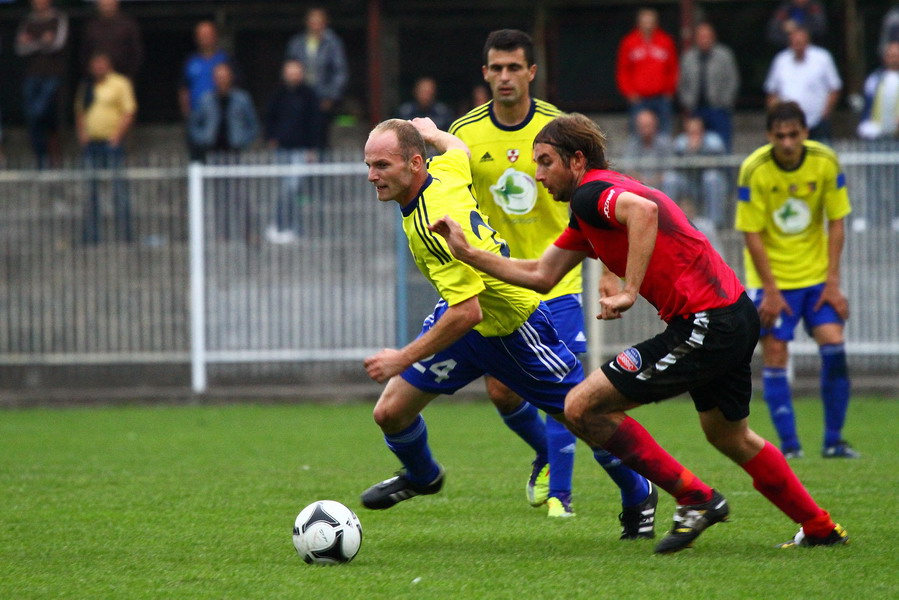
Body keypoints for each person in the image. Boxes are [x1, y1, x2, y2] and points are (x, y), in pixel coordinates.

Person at [430, 112, 849, 553]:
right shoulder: (590, 205)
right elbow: (540, 274)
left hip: (708, 321)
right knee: (729, 435)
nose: (538, 175)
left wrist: (629, 289)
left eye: (545, 162)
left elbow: (643, 212)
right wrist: (467, 253)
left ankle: (695, 498)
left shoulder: (593, 192)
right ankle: (819, 527)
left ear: (576, 160)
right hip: (732, 314)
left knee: (582, 406)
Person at [359, 117, 656, 541]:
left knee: (583, 414)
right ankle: (423, 476)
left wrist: (401, 358)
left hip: (516, 329)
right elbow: (457, 150)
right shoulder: (442, 170)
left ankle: (638, 492)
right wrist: (431, 132)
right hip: (466, 318)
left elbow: (468, 313)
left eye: (382, 166)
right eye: (369, 165)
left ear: (414, 165)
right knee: (390, 412)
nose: (372, 176)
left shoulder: (434, 223)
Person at [449, 29, 643, 522]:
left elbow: (592, 202)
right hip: (500, 284)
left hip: (556, 278)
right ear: (485, 73)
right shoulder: (464, 134)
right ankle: (545, 455)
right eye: (497, 68)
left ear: (532, 73)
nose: (505, 77)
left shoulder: (560, 129)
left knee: (566, 389)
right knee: (502, 390)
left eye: (515, 67)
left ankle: (562, 493)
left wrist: (604, 269)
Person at [736, 102, 858, 460]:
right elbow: (751, 232)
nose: (787, 143)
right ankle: (791, 448)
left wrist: (833, 282)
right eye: (780, 136)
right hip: (772, 279)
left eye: (794, 135)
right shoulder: (754, 169)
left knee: (834, 347)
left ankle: (834, 441)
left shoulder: (825, 161)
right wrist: (770, 291)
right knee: (775, 352)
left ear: (805, 132)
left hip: (817, 277)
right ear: (769, 136)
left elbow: (837, 221)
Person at [189, 62, 259, 241]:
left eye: (225, 76)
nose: (222, 80)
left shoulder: (242, 98)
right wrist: (203, 139)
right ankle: (222, 233)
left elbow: (253, 125)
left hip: (235, 152)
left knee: (241, 196)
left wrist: (243, 140)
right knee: (219, 197)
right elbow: (194, 125)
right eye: (218, 77)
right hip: (214, 153)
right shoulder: (206, 99)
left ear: (231, 78)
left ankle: (248, 231)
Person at [75, 52, 136, 244]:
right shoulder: (86, 85)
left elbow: (129, 111)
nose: (98, 67)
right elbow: (79, 111)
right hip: (92, 144)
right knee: (91, 192)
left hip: (111, 144)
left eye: (102, 63)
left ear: (109, 64)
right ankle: (91, 238)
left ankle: (125, 237)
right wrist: (82, 135)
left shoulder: (120, 83)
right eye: (95, 64)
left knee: (119, 190)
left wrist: (117, 137)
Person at [264, 59, 322, 242]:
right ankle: (283, 224)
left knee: (293, 188)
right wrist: (271, 138)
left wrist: (312, 147)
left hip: (301, 150)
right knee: (285, 188)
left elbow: (315, 122)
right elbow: (269, 117)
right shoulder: (278, 94)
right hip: (282, 149)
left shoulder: (309, 95)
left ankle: (288, 225)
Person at [285, 7, 348, 152]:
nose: (315, 24)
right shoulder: (297, 42)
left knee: (321, 136)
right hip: (300, 97)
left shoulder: (333, 43)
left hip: (322, 97)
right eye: (312, 21)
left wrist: (331, 96)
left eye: (319, 21)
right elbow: (290, 66)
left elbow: (340, 72)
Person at [764, 25, 841, 142]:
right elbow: (772, 92)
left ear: (807, 42)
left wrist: (825, 113)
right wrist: (776, 115)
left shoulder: (822, 58)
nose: (797, 45)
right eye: (794, 42)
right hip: (788, 125)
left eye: (800, 42)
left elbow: (835, 87)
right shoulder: (781, 60)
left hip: (817, 122)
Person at [15, 0, 68, 168]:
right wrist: (42, 41)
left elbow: (57, 44)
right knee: (32, 117)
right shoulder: (28, 20)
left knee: (45, 114)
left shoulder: (59, 19)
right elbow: (20, 48)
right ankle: (41, 160)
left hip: (52, 76)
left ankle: (53, 158)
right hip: (32, 75)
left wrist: (33, 42)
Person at [677, 21, 740, 151]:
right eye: (701, 36)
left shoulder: (724, 56)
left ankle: (725, 171)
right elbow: (681, 82)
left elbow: (732, 80)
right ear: (696, 39)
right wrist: (687, 101)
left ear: (713, 37)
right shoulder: (688, 57)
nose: (704, 40)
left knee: (723, 145)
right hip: (695, 110)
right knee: (694, 147)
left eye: (707, 36)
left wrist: (725, 101)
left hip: (718, 109)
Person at [615, 7, 678, 135]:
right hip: (639, 98)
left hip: (661, 97)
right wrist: (629, 92)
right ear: (639, 23)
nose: (648, 25)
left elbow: (673, 69)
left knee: (665, 132)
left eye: (651, 21)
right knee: (637, 133)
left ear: (656, 23)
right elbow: (623, 70)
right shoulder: (629, 42)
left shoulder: (665, 41)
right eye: (645, 21)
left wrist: (670, 90)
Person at [179, 21, 232, 162]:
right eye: (201, 35)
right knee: (197, 158)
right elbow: (184, 88)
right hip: (197, 115)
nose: (205, 38)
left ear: (215, 36)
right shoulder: (191, 61)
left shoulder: (224, 59)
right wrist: (187, 113)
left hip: (220, 116)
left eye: (208, 35)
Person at [662, 116, 728, 228]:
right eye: (691, 132)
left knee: (711, 177)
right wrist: (689, 151)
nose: (694, 134)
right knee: (670, 179)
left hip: (706, 183)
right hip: (688, 182)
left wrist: (699, 149)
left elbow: (719, 163)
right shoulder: (681, 141)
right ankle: (669, 221)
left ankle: (714, 224)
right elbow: (675, 165)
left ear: (703, 130)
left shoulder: (713, 140)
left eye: (697, 131)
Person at [80, 0, 143, 82]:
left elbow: (136, 53)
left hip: (123, 78)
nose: (107, 3)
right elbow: (84, 53)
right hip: (96, 81)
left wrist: (128, 75)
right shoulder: (91, 26)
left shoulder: (128, 25)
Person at [621, 108, 673, 191]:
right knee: (625, 180)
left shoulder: (664, 142)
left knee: (671, 179)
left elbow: (670, 166)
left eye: (648, 125)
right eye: (642, 126)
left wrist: (655, 180)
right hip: (639, 181)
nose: (645, 130)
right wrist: (643, 180)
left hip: (660, 181)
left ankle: (668, 204)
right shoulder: (632, 143)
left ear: (655, 125)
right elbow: (629, 167)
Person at [857, 41, 899, 141]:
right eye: (890, 56)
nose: (894, 59)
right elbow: (867, 105)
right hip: (877, 132)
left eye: (896, 56)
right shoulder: (874, 79)